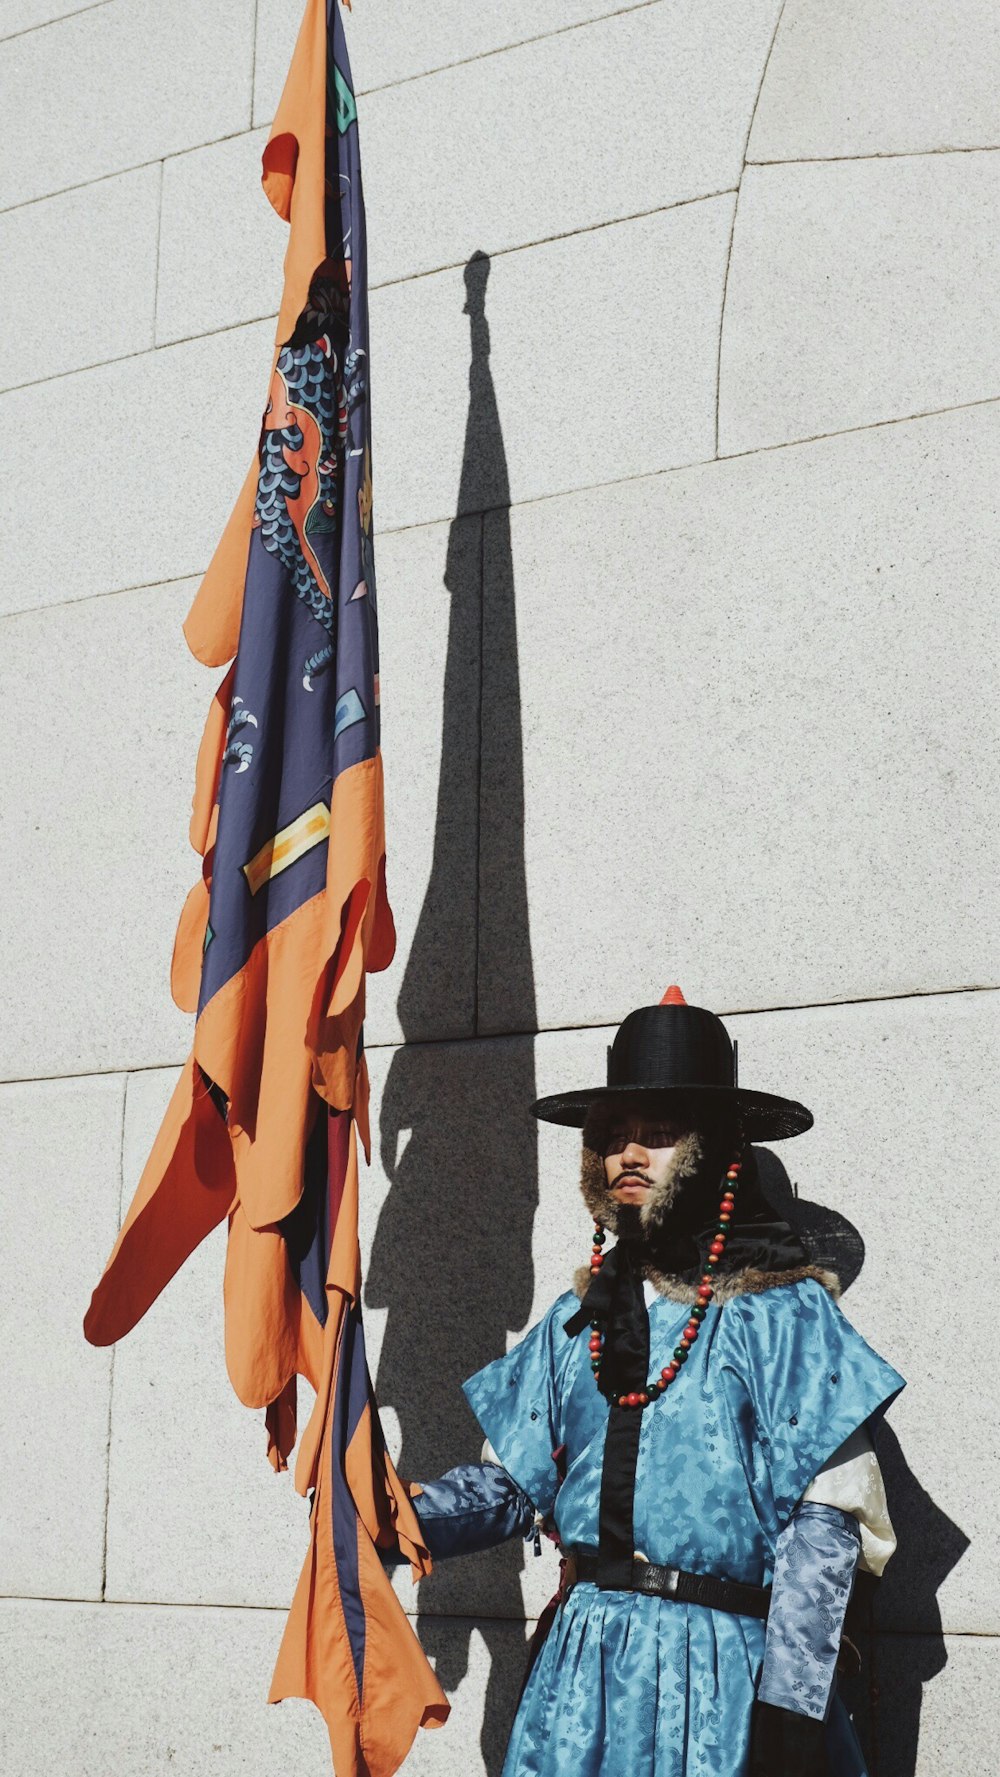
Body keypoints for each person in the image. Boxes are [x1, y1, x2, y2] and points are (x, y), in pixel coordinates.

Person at [385, 987, 903, 1776]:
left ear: (714, 1149)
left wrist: (787, 1718)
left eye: (658, 1134)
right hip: (581, 1677)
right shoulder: (579, 1317)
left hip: (722, 1681)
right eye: (615, 1135)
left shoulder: (784, 1312)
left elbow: (823, 1531)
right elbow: (511, 1488)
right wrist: (394, 1512)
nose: (628, 1154)